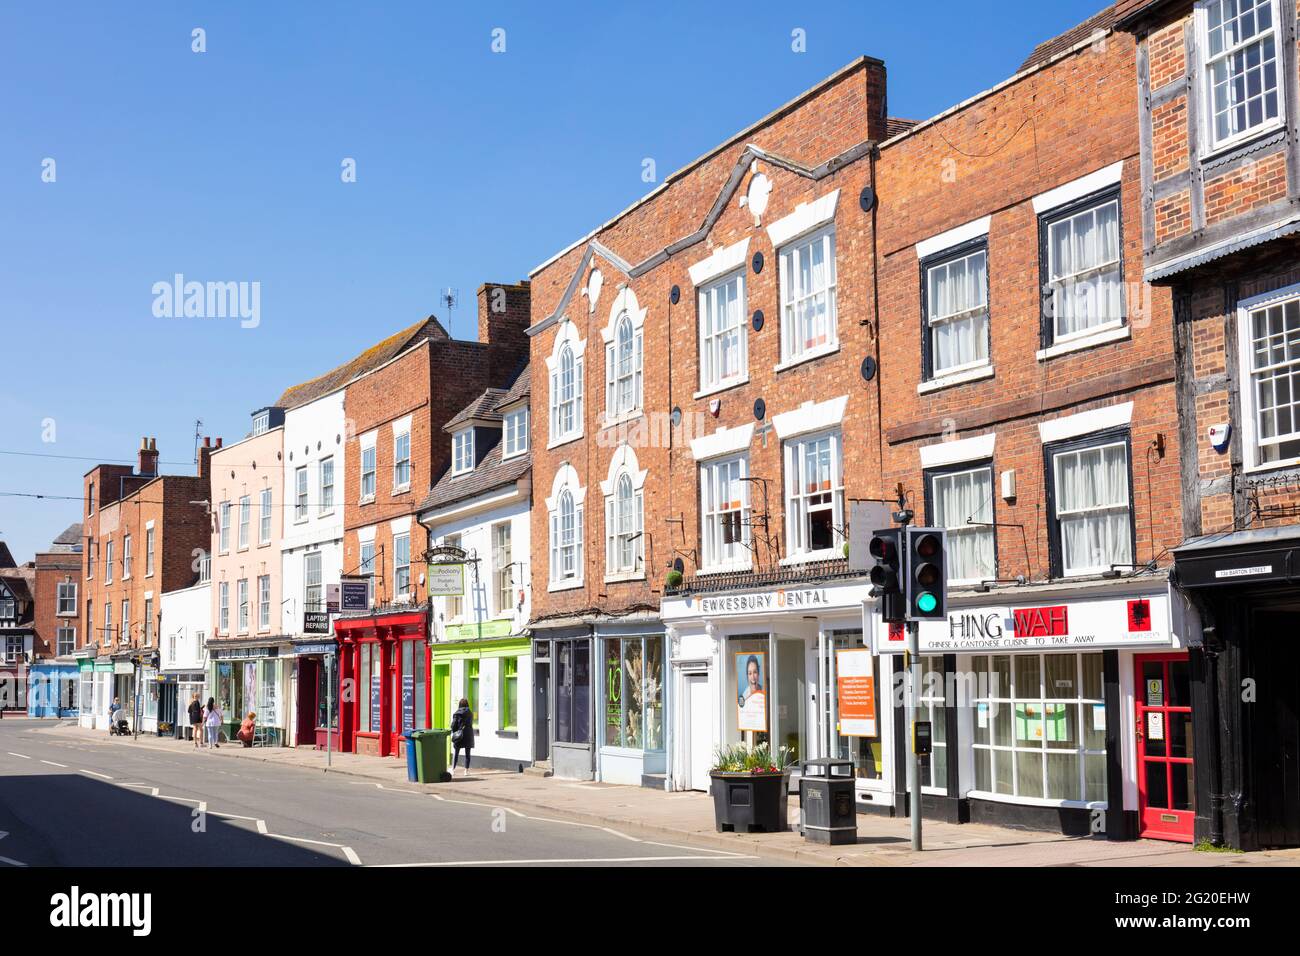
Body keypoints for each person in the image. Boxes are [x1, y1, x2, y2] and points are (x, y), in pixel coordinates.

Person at [450, 698, 474, 777]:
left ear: (459, 705)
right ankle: (466, 771)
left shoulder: (457, 713)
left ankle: (453, 770)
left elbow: (453, 725)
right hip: (468, 734)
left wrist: (454, 731)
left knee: (456, 752)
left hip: (459, 734)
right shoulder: (470, 713)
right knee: (468, 753)